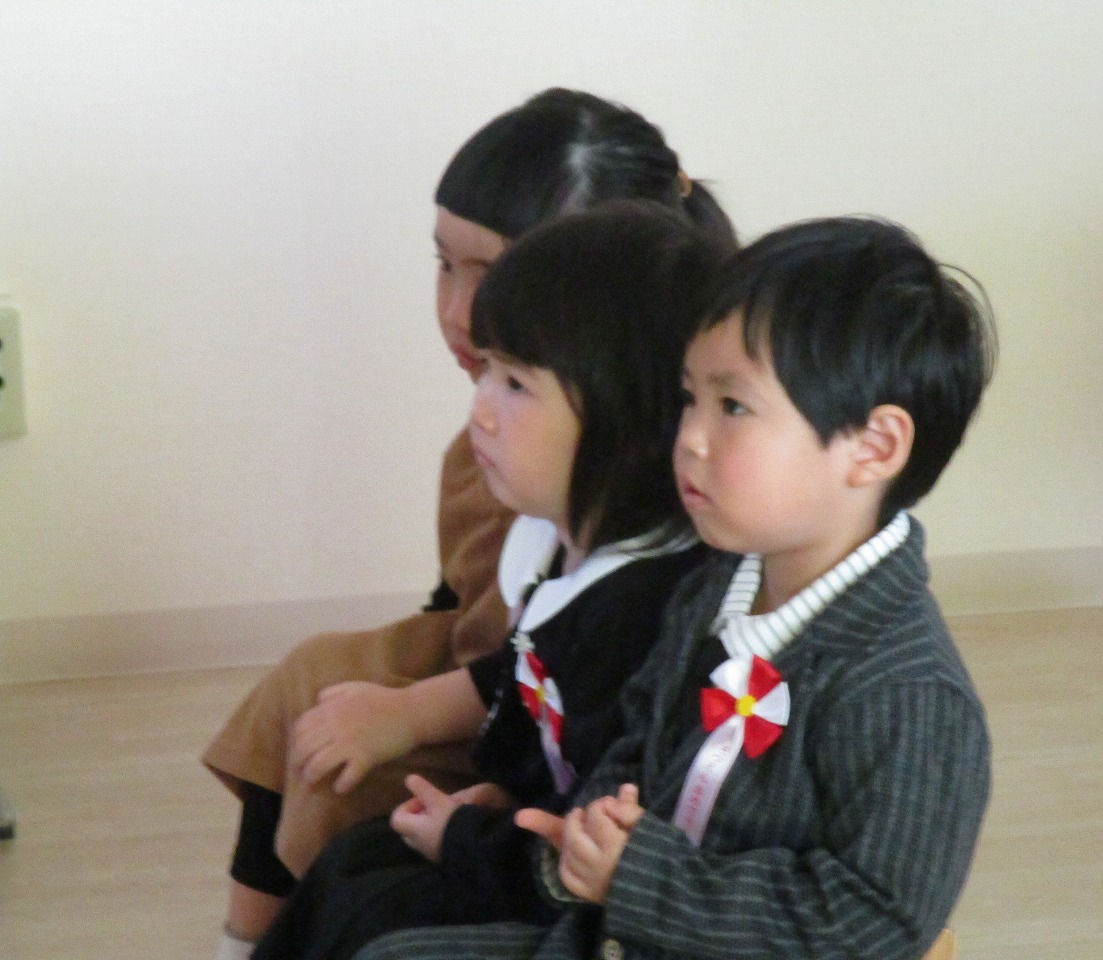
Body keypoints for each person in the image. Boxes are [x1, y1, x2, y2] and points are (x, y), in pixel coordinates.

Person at [353, 215, 997, 960]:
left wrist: (645, 879)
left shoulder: (911, 696)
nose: (688, 437)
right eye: (691, 397)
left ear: (874, 448)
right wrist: (593, 825)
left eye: (733, 407)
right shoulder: (711, 591)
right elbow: (639, 736)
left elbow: (871, 922)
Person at [203, 88, 735, 959]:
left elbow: (597, 746)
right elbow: (490, 620)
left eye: (493, 277)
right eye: (445, 265)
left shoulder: (664, 565)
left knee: (360, 835)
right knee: (317, 686)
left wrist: (471, 792)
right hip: (510, 708)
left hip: (548, 800)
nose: (458, 311)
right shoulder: (504, 454)